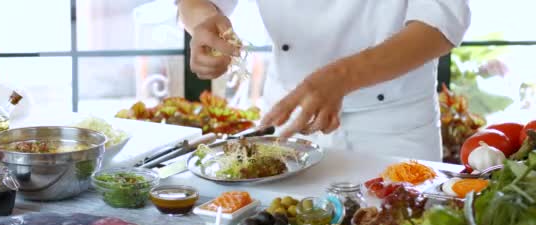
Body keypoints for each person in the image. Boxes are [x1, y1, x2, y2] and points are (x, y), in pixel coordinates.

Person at [177, 0, 471, 161]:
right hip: (291, 120)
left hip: (392, 127)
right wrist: (204, 24)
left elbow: (440, 24)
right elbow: (194, 2)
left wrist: (339, 78)